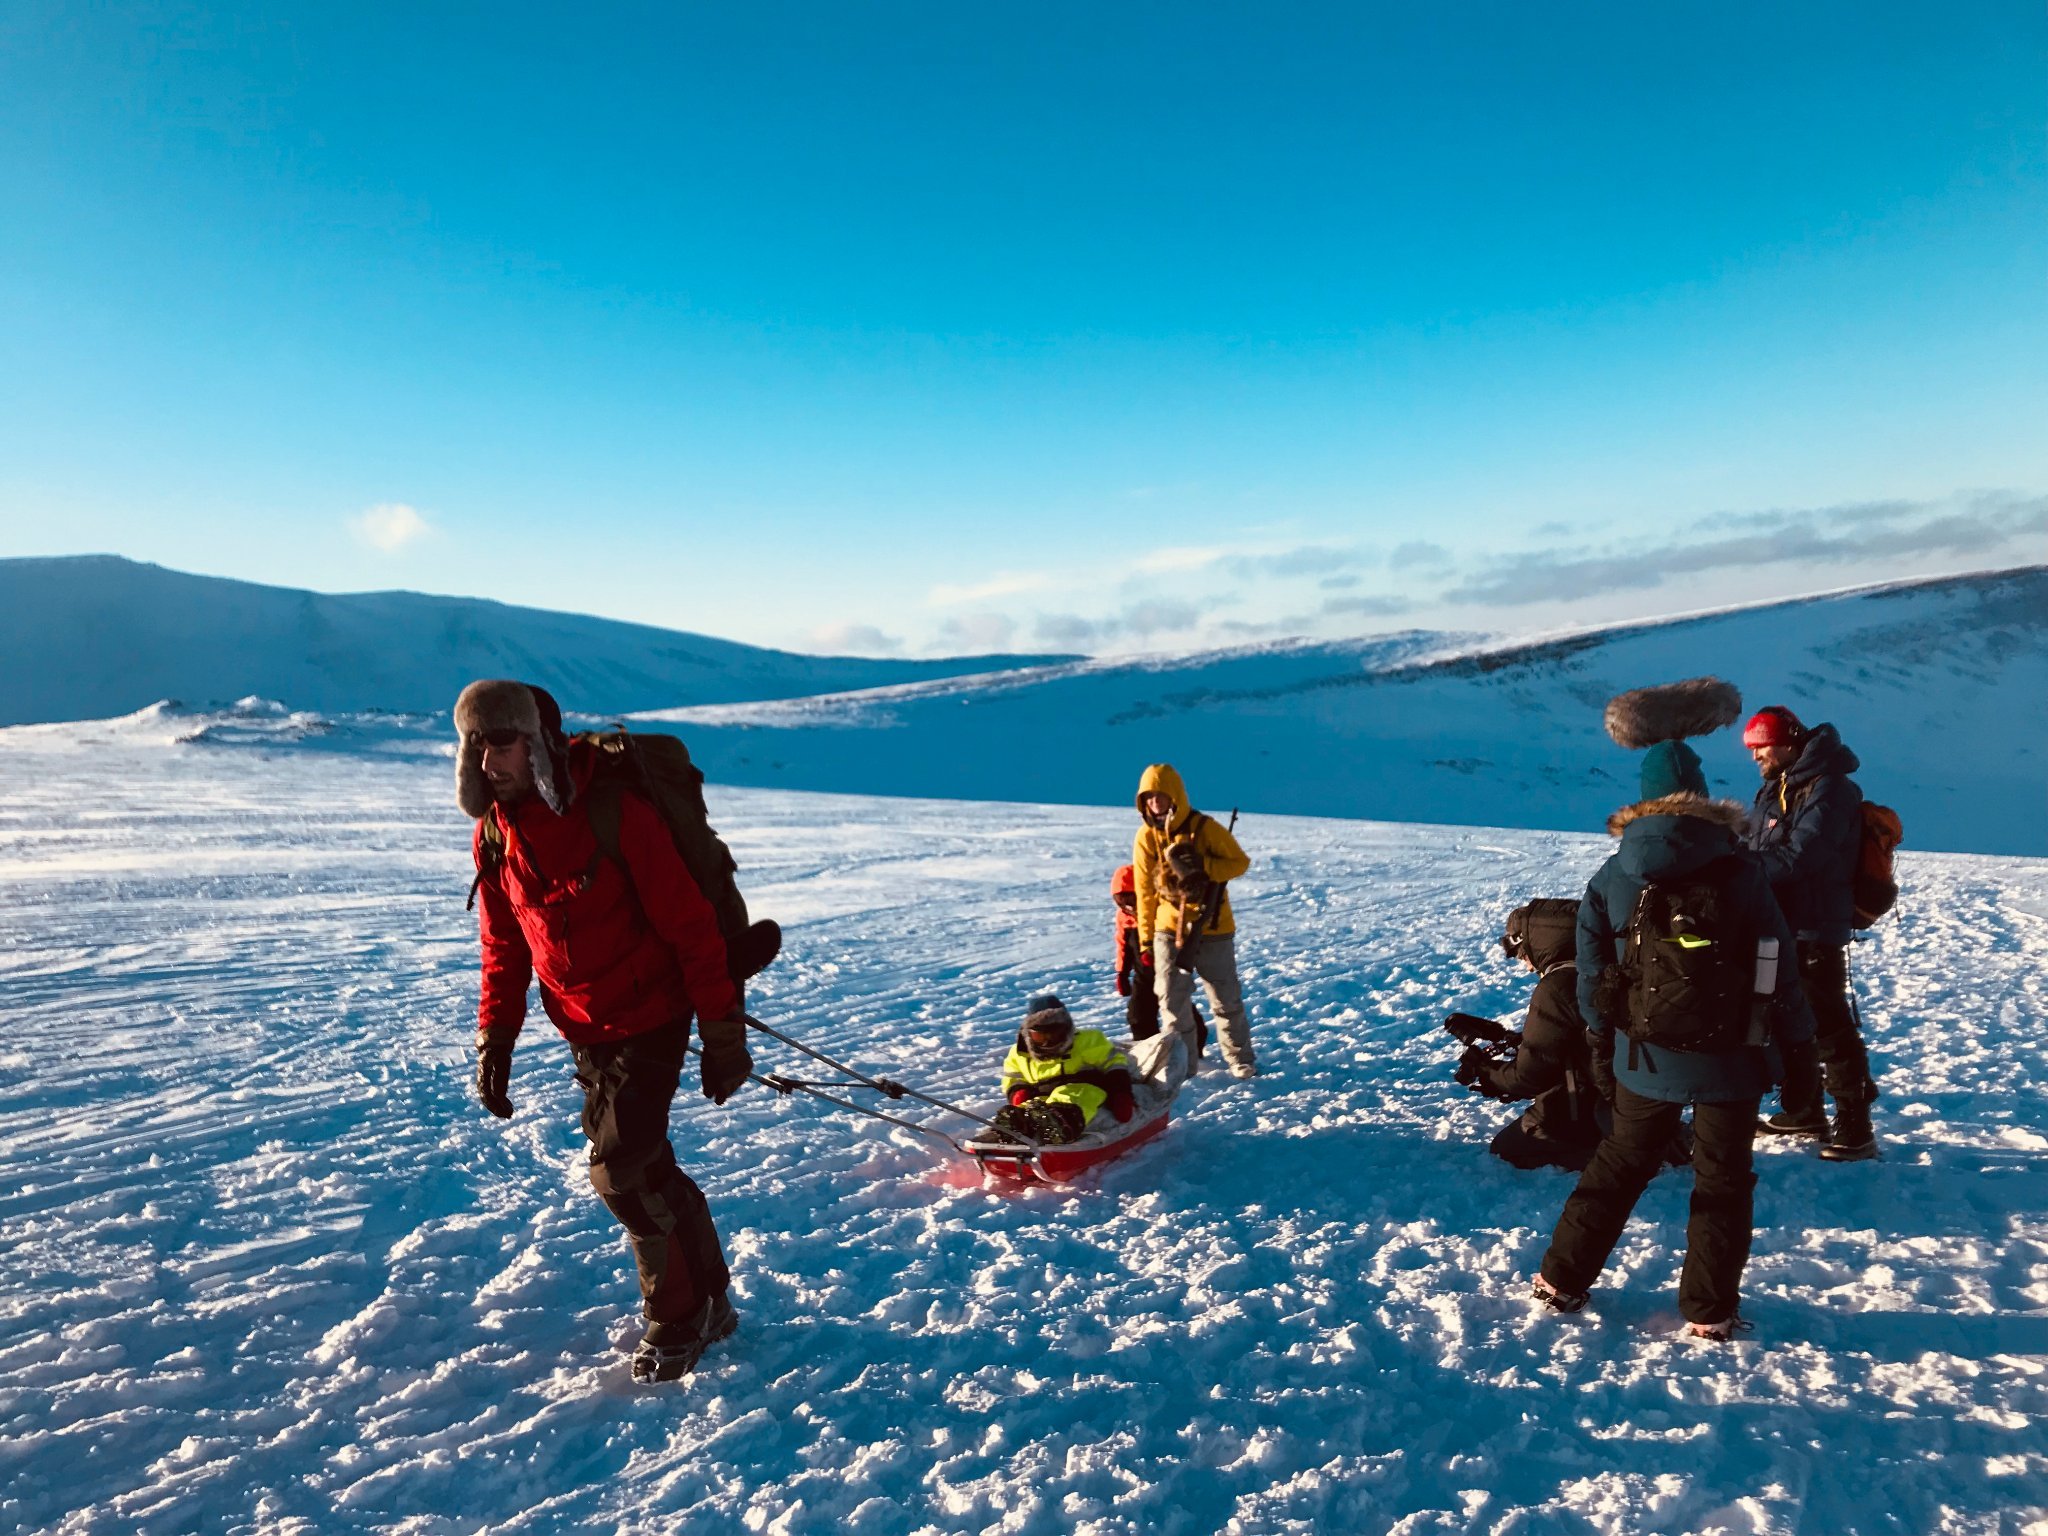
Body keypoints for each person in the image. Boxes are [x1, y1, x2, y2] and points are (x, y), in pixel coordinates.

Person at [455, 679, 755, 1383]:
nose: (490, 757)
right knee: (645, 1165)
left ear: (541, 743)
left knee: (620, 1172)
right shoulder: (495, 831)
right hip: (583, 1025)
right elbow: (504, 946)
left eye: (504, 739)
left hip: (652, 1015)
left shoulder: (615, 813)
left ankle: (675, 1320)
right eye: (478, 742)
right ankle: (712, 1300)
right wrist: (494, 1042)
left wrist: (721, 1035)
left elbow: (691, 929)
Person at [1533, 739, 1816, 1340]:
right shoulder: (1742, 871)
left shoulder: (1613, 875)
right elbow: (1780, 965)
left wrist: (1603, 1043)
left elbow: (1590, 973)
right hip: (1734, 1060)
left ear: (1644, 801)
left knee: (1621, 1162)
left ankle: (1561, 1279)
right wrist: (1797, 1051)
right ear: (1704, 797)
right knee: (1723, 1179)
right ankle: (1710, 1311)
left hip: (1641, 1054)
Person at [1741, 705, 1880, 1162]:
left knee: (1828, 1026)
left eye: (1761, 745)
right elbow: (1758, 846)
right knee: (1786, 1021)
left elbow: (1801, 858)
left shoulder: (1833, 791)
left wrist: (1736, 870)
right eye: (1751, 747)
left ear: (1789, 741)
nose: (1755, 755)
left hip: (1814, 928)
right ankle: (1805, 1109)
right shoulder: (1775, 788)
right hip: (1780, 924)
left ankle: (1855, 1125)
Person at [1453, 899, 1607, 1172]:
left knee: (1507, 1149)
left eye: (1523, 954)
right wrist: (1518, 1042)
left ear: (1536, 943)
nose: (1526, 965)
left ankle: (1606, 1154)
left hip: (1588, 1115)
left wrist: (1488, 1072)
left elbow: (1530, 1075)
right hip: (1633, 1099)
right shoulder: (1601, 967)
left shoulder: (1559, 984)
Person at [1132, 764, 1257, 1079]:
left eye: (1161, 796)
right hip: (1167, 929)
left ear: (1175, 796)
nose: (1156, 803)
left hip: (1214, 928)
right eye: (1149, 797)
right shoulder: (1146, 838)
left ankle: (1241, 1061)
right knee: (1172, 1003)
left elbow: (1239, 863)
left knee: (1226, 999)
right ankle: (1182, 1068)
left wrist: (1204, 867)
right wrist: (1146, 940)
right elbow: (1145, 892)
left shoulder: (1206, 828)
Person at [993, 995, 1136, 1145]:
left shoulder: (1088, 1040)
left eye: (1054, 1035)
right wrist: (1018, 1092)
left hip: (1084, 1087)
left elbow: (1114, 1063)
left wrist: (1121, 1093)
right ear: (1029, 1034)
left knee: (1069, 1096)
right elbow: (1013, 1076)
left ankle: (1059, 1125)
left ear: (1067, 1029)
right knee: (1030, 1108)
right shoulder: (1020, 1053)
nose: (1048, 1042)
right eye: (1040, 1037)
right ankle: (1013, 1127)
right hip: (1042, 1096)